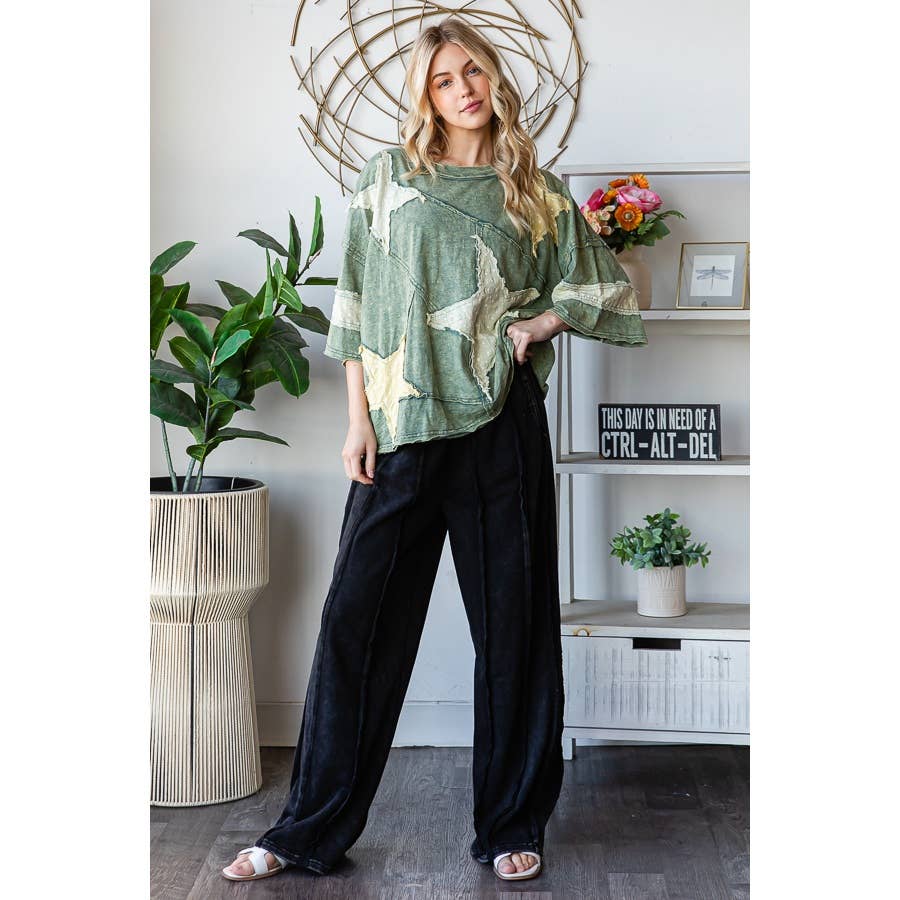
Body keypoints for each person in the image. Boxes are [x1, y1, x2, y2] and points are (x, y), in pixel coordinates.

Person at [223, 15, 647, 885]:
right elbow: (355, 303)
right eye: (445, 79)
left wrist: (537, 323)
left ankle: (510, 824)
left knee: (514, 631)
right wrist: (358, 420)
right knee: (357, 627)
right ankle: (306, 831)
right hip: (400, 428)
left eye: (474, 72)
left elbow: (603, 284)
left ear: (495, 77)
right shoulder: (388, 178)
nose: (464, 89)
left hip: (500, 427)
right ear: (426, 94)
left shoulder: (534, 189)